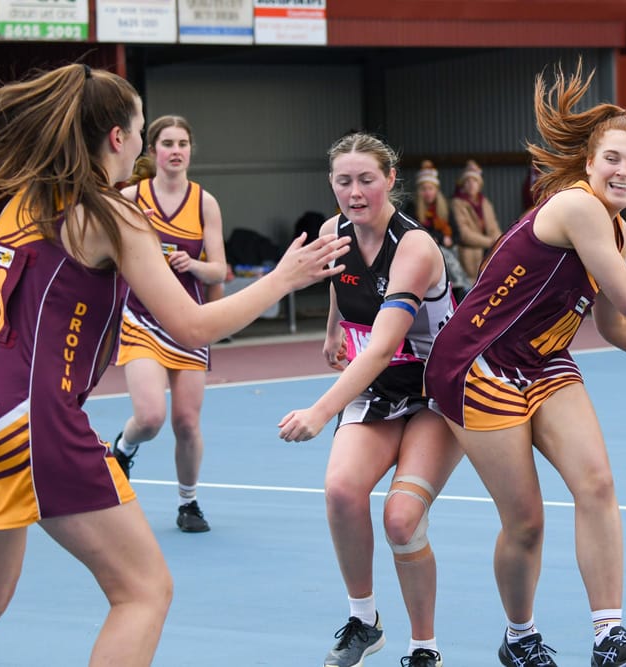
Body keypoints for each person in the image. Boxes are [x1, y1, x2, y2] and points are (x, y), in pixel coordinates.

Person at [0, 63, 349, 666]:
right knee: (143, 591)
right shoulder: (112, 216)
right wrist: (284, 279)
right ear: (119, 137)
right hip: (30, 421)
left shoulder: (23, 199)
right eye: (140, 128)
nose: (143, 140)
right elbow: (189, 326)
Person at [423, 63, 626, 667]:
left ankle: (609, 638)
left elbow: (616, 324)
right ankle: (519, 640)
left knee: (597, 484)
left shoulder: (618, 232)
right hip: (476, 366)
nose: (623, 171)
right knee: (527, 523)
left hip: (544, 361)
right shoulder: (577, 207)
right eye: (613, 159)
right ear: (590, 164)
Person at [278, 132, 462, 667]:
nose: (355, 191)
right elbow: (343, 278)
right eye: (343, 181)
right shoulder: (332, 230)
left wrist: (320, 410)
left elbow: (382, 347)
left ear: (390, 181)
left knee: (402, 519)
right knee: (340, 491)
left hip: (436, 387)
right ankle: (364, 620)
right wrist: (334, 327)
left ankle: (423, 647)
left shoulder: (416, 248)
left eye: (366, 180)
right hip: (380, 387)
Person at [110, 115, 229, 533]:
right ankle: (122, 448)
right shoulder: (130, 198)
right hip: (141, 320)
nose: (176, 150)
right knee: (150, 417)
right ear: (153, 151)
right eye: (167, 143)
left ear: (190, 150)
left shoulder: (204, 203)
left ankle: (189, 503)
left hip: (190, 323)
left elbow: (219, 270)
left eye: (182, 143)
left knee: (186, 422)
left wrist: (193, 264)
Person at [412, 159, 472, 299]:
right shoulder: (413, 208)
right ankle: (462, 287)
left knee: (450, 253)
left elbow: (456, 234)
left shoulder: (445, 208)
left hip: (446, 248)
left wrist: (448, 239)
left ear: (436, 190)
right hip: (425, 250)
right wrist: (438, 238)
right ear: (420, 191)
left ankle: (459, 289)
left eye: (431, 189)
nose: (428, 193)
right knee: (444, 255)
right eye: (424, 189)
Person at [451, 158, 502, 282]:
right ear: (463, 184)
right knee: (473, 284)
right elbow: (464, 234)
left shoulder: (485, 203)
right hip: (471, 253)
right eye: (467, 181)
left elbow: (493, 227)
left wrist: (500, 241)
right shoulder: (458, 203)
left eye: (474, 181)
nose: (471, 184)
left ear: (479, 184)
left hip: (488, 250)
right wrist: (490, 242)